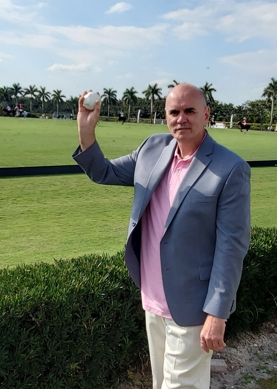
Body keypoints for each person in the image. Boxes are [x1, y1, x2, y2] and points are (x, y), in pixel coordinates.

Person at [73, 83, 251, 388]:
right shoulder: (152, 149)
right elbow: (103, 172)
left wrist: (217, 314)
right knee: (162, 383)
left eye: (190, 111)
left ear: (206, 114)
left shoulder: (230, 168)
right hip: (152, 299)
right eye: (174, 112)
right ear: (166, 117)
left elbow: (231, 246)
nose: (181, 118)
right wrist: (86, 132)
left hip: (193, 307)